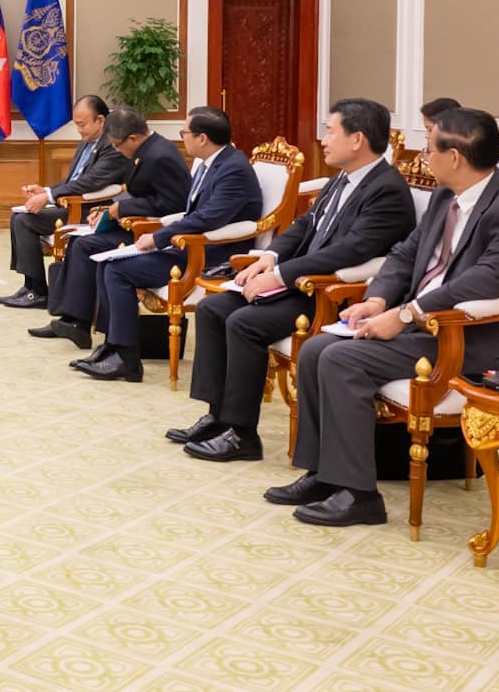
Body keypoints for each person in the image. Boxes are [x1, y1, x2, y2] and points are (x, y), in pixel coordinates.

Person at [271, 107, 499, 527]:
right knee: (314, 350)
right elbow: (405, 254)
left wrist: (407, 312)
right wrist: (378, 300)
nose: (423, 157)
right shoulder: (444, 197)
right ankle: (324, 475)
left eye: (429, 148)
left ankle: (359, 495)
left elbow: (490, 280)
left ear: (455, 157)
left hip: (469, 339)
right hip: (423, 325)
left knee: (341, 359)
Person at [171, 97, 416, 461]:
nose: (323, 141)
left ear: (357, 139)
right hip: (299, 280)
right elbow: (304, 225)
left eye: (330, 132)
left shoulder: (387, 190)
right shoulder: (342, 178)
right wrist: (268, 258)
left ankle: (241, 433)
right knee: (213, 308)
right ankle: (217, 416)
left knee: (244, 323)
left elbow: (350, 251)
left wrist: (280, 276)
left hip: (327, 294)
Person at [75, 107, 263, 383]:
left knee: (117, 270)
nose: (182, 137)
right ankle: (113, 346)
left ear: (201, 138)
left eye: (185, 132)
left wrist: (158, 237)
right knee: (109, 264)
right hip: (188, 245)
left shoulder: (233, 169)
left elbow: (207, 218)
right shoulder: (212, 163)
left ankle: (127, 359)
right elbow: (192, 213)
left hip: (210, 255)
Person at [30, 107, 189, 349]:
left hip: (152, 232)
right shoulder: (144, 150)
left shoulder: (160, 156)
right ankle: (73, 320)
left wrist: (121, 210)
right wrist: (108, 210)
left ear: (132, 138)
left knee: (87, 246)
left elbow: (173, 204)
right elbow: (137, 193)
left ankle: (84, 325)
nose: (115, 150)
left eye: (116, 144)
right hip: (134, 224)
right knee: (78, 240)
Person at [0, 94, 129, 310]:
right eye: (76, 124)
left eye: (82, 124)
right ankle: (30, 285)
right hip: (70, 204)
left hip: (87, 210)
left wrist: (49, 197)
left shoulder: (111, 146)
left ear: (100, 120)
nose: (79, 130)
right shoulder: (87, 142)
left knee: (24, 221)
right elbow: (73, 180)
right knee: (18, 216)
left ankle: (38, 292)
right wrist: (46, 190)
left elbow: (91, 181)